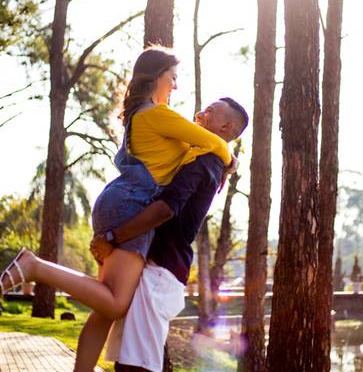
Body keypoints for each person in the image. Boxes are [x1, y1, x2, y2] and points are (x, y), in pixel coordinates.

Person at [0, 47, 236, 328]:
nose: (176, 85)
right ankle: (36, 267)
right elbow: (214, 143)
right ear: (157, 76)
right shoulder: (158, 114)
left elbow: (196, 151)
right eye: (173, 77)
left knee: (105, 309)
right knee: (116, 305)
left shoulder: (145, 114)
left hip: (120, 201)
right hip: (131, 207)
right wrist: (231, 162)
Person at [84, 98, 249, 372]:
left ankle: (35, 268)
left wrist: (113, 237)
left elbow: (165, 209)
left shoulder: (205, 161)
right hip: (153, 265)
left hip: (162, 269)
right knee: (127, 364)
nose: (200, 114)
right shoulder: (202, 155)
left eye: (209, 111)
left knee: (138, 366)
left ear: (226, 126)